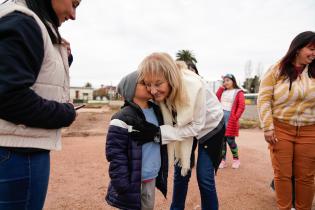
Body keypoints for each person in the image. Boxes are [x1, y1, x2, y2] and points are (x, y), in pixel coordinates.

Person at [0, 0, 80, 209]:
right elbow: (9, 97)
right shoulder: (24, 21)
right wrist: (66, 114)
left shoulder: (25, 20)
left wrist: (63, 58)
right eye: (74, 4)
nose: (73, 15)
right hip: (18, 152)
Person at [132, 52, 225, 210]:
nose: (152, 91)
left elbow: (196, 126)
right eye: (148, 84)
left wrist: (159, 133)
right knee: (180, 172)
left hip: (210, 127)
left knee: (204, 176)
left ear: (171, 78)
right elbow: (131, 87)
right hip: (183, 125)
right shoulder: (159, 88)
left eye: (158, 83)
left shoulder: (193, 87)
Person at [257, 31, 315, 210]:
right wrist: (268, 127)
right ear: (298, 48)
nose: (314, 54)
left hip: (310, 130)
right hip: (281, 128)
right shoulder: (277, 69)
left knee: (305, 176)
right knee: (282, 174)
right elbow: (264, 98)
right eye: (311, 49)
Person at [105, 71, 168, 210]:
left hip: (151, 175)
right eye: (144, 83)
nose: (149, 86)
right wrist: (121, 183)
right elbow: (115, 152)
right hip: (131, 179)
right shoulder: (121, 117)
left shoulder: (158, 112)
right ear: (130, 88)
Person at [216, 74, 245, 169]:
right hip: (220, 117)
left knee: (230, 140)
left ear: (233, 81)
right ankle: (222, 160)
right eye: (224, 81)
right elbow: (216, 98)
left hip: (230, 118)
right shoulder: (223, 91)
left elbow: (241, 106)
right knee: (222, 141)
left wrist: (235, 117)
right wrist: (221, 87)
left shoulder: (238, 92)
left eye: (228, 80)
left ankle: (236, 159)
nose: (226, 82)